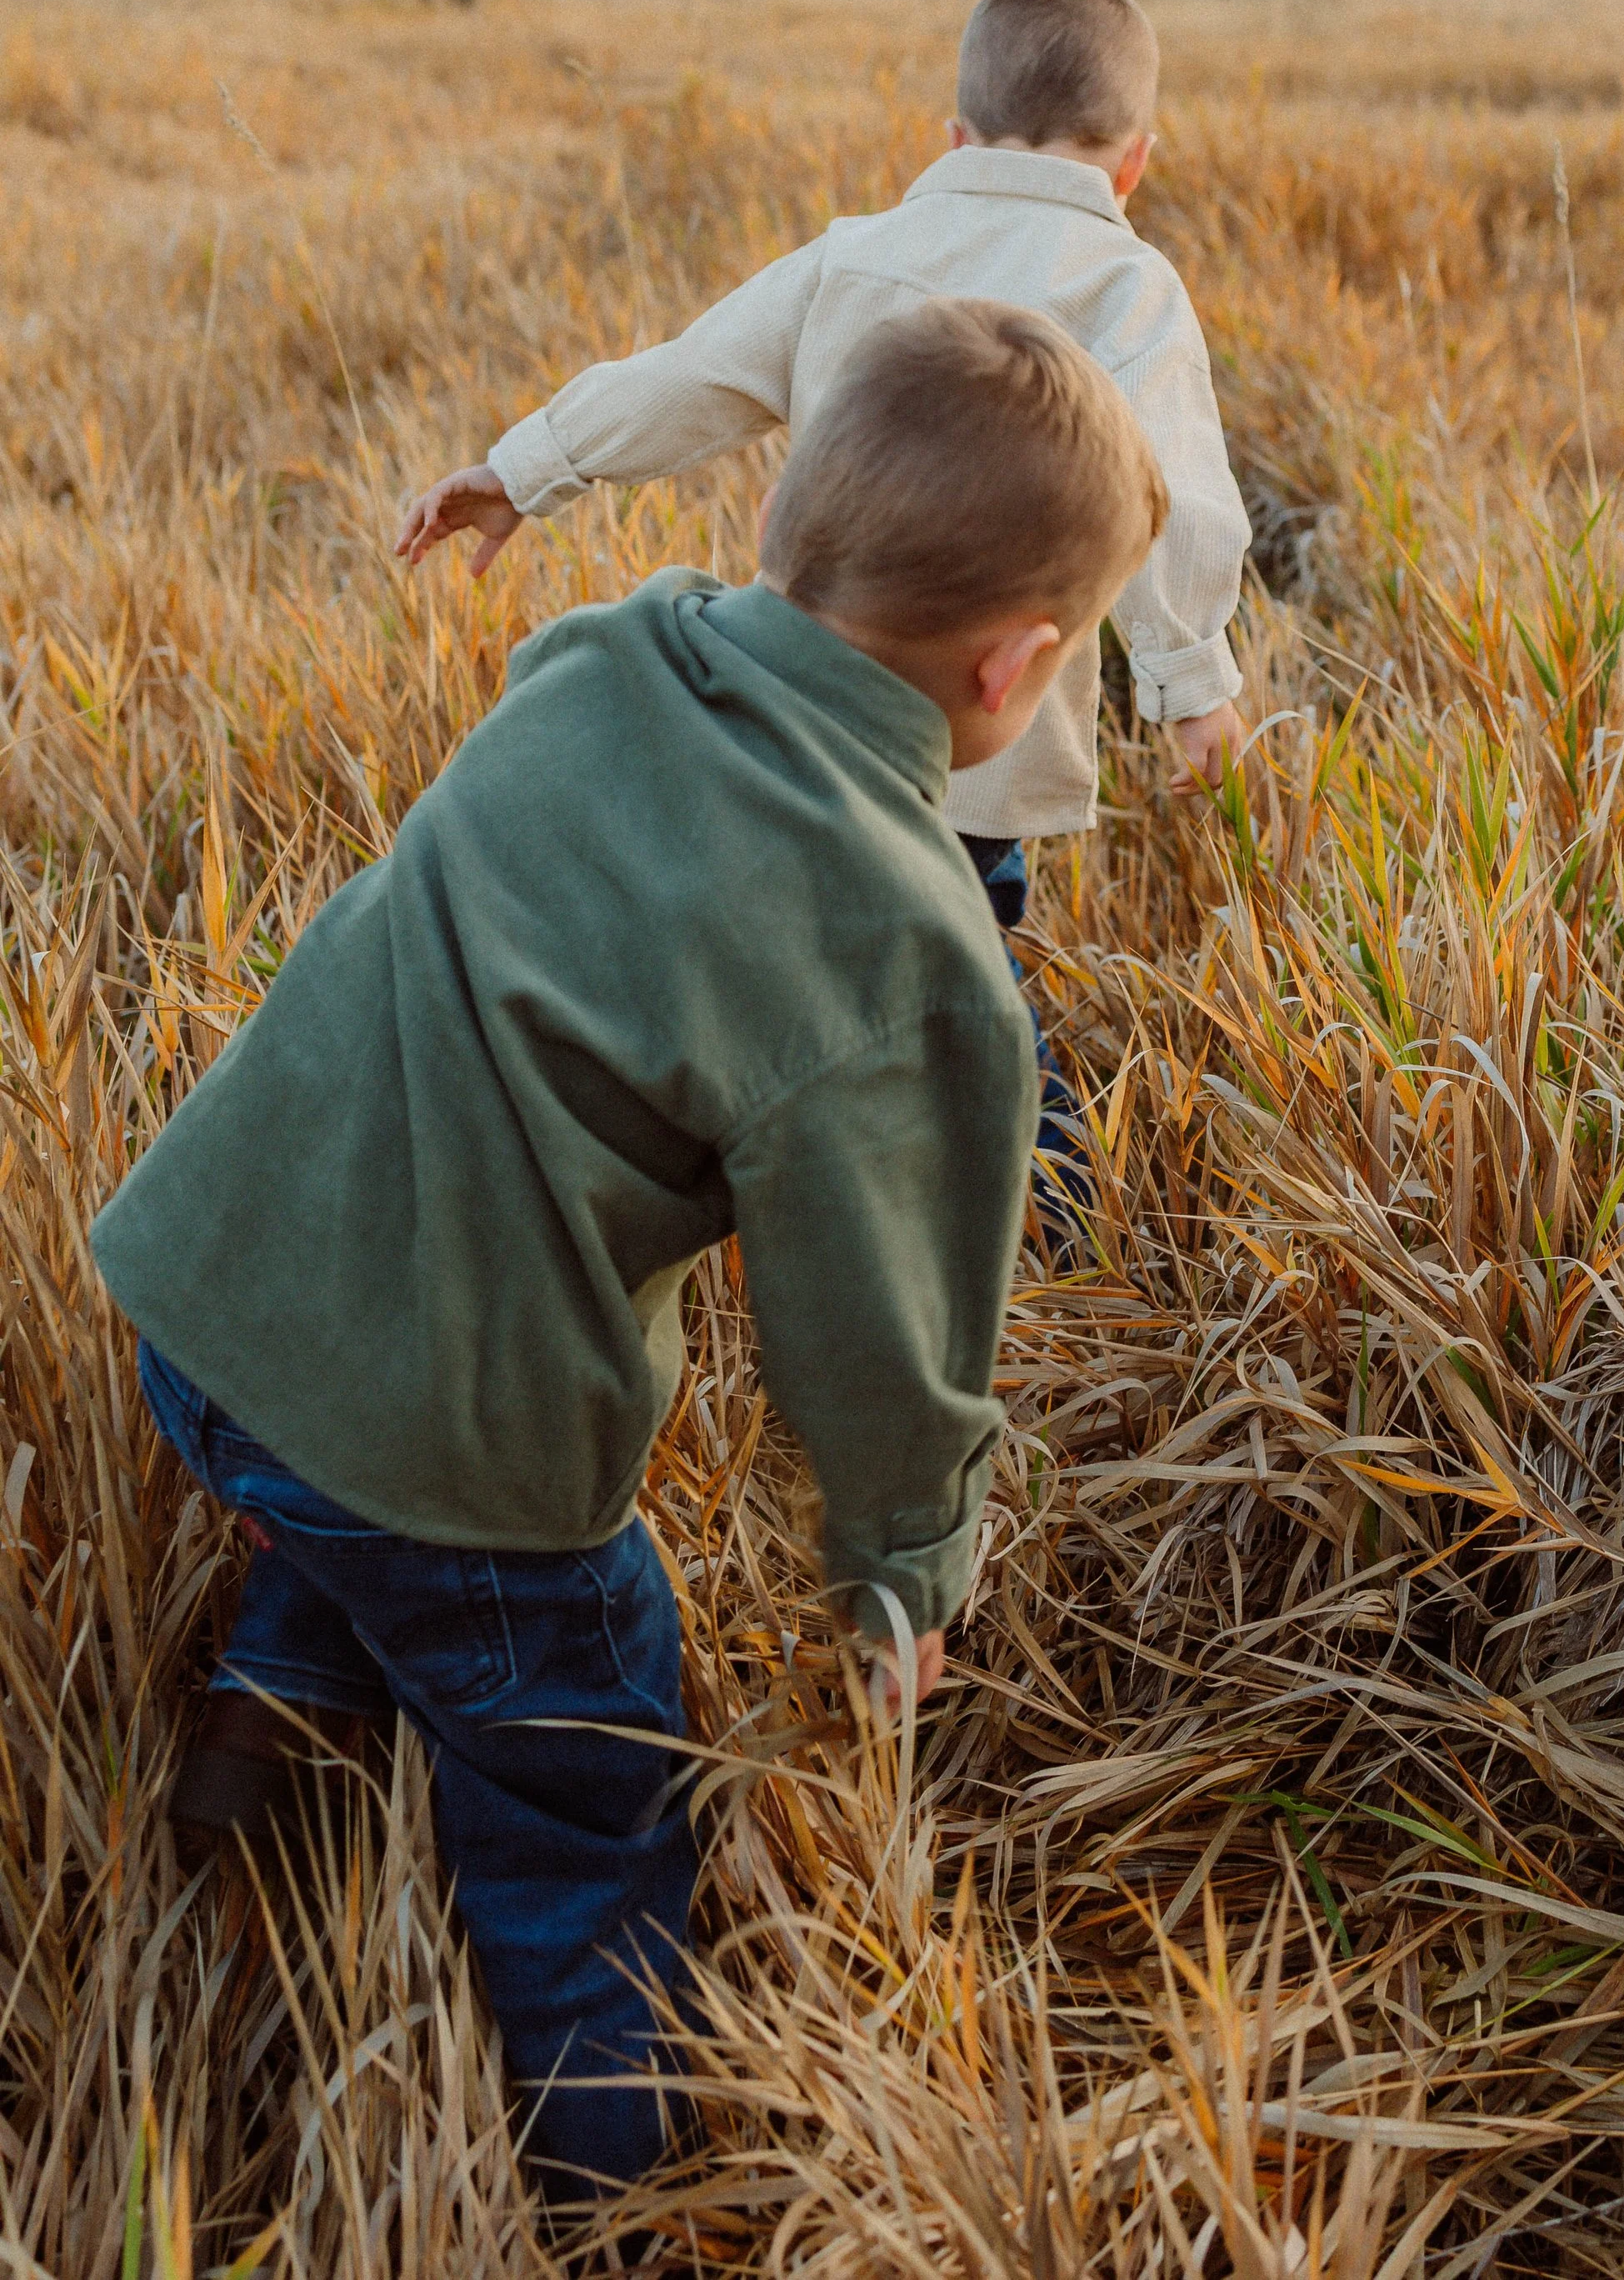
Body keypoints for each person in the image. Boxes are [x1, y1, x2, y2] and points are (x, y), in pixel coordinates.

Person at [97, 298, 1168, 2206]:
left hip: (208, 1287)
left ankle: (263, 1753)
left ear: (789, 525)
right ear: (1017, 671)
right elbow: (882, 1329)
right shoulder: (907, 946)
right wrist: (900, 1571)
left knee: (347, 1499)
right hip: (443, 1432)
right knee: (587, 1773)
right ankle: (618, 2194)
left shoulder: (603, 652)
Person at [395, 0, 1253, 1238]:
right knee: (958, 980)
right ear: (1137, 162)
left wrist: (526, 468)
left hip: (795, 707)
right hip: (966, 743)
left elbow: (688, 377)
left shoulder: (856, 255)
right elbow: (1175, 493)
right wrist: (1192, 686)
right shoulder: (1129, 293)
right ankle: (1057, 1218)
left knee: (825, 949)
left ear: (952, 138)